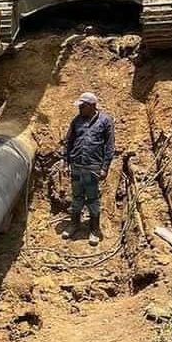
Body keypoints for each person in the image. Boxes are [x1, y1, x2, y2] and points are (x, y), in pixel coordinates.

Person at [62, 91, 115, 246]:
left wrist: (105, 168)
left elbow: (110, 146)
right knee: (77, 197)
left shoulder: (105, 121)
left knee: (92, 199)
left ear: (92, 105)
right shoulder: (76, 121)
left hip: (93, 167)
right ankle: (74, 224)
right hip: (77, 167)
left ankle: (94, 229)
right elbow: (68, 142)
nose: (79, 109)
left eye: (82, 106)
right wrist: (66, 163)